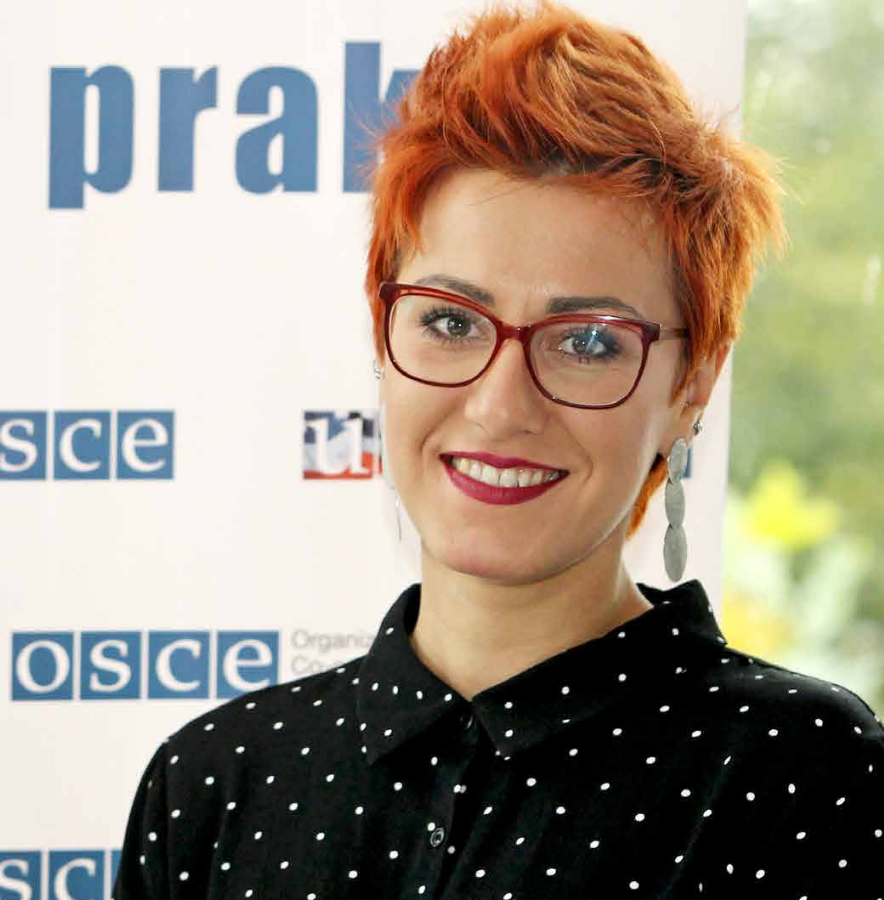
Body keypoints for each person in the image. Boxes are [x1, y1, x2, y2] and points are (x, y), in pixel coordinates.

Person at [111, 4, 883, 898]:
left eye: (587, 341)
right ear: (382, 334)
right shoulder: (214, 784)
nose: (500, 405)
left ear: (691, 388)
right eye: (449, 322)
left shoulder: (809, 779)